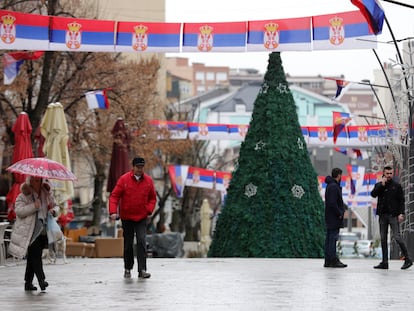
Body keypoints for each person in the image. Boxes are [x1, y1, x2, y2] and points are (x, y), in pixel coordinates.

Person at [8, 176, 59, 291]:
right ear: (30, 181)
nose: (38, 183)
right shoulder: (23, 195)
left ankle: (28, 282)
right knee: (36, 256)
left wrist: (54, 210)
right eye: (36, 180)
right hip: (29, 231)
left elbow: (56, 206)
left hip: (44, 230)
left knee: (32, 257)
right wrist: (33, 206)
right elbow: (19, 211)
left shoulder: (46, 193)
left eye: (40, 180)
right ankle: (42, 281)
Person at [109, 156, 156, 279]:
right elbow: (114, 196)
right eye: (138, 167)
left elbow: (152, 198)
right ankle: (128, 268)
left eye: (142, 167)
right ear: (133, 167)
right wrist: (113, 212)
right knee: (128, 244)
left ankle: (142, 270)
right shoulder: (124, 180)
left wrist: (149, 210)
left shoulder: (148, 181)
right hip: (127, 217)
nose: (140, 169)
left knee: (141, 241)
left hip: (141, 216)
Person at [371, 166, 413, 270]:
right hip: (382, 215)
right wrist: (382, 185)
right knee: (383, 238)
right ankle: (384, 262)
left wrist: (401, 213)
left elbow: (401, 201)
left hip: (393, 215)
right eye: (387, 173)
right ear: (383, 174)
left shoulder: (397, 186)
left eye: (391, 173)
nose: (389, 175)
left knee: (397, 237)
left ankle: (407, 259)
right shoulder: (379, 185)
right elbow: (373, 194)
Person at [324, 168, 347, 268]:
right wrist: (340, 213)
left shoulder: (330, 185)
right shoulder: (334, 187)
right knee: (332, 238)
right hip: (334, 217)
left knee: (329, 238)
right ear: (338, 175)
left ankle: (328, 260)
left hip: (330, 216)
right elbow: (333, 202)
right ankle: (333, 260)